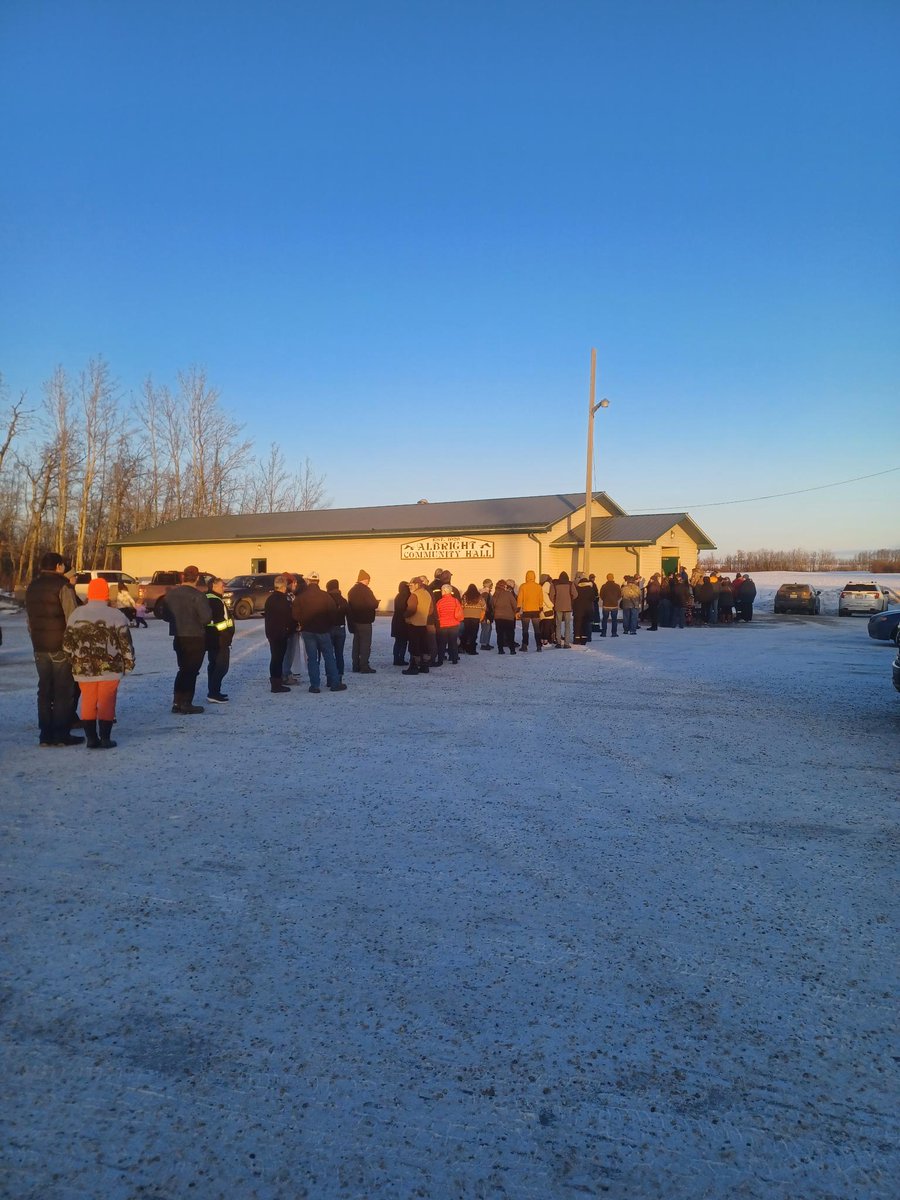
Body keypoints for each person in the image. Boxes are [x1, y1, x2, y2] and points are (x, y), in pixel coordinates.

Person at [62, 578, 135, 748]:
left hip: (83, 668)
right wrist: (129, 662)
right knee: (107, 701)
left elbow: (67, 644)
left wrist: (73, 661)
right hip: (111, 667)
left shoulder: (76, 614)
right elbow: (125, 643)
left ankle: (91, 739)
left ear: (89, 593)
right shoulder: (116, 615)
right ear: (106, 594)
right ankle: (105, 738)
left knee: (88, 700)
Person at [25, 551, 83, 746]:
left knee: (44, 689)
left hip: (39, 646)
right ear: (58, 566)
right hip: (61, 645)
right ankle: (61, 734)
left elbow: (29, 619)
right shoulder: (63, 586)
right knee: (63, 690)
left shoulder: (32, 587)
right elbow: (72, 617)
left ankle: (45, 734)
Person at [164, 565, 213, 714]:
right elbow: (206, 618)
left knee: (183, 669)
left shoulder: (171, 595)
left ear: (182, 577)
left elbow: (165, 615)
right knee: (191, 671)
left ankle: (177, 701)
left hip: (178, 636)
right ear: (197, 578)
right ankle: (186, 702)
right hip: (195, 637)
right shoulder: (198, 596)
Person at [292, 572, 346, 693]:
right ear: (318, 582)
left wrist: (303, 622)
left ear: (309, 581)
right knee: (329, 657)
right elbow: (333, 613)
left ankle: (315, 685)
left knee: (312, 658)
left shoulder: (301, 597)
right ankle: (335, 683)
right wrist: (327, 624)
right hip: (323, 631)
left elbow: (295, 615)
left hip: (308, 631)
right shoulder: (325, 596)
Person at [205, 577, 235, 702]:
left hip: (210, 638)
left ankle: (214, 691)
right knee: (222, 666)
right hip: (220, 639)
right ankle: (213, 693)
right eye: (221, 586)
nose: (224, 588)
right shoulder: (216, 601)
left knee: (213, 665)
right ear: (213, 586)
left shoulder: (206, 598)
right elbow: (219, 622)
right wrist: (226, 635)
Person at [263, 576, 295, 693]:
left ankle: (275, 681)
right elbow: (289, 617)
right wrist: (292, 628)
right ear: (283, 586)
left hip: (271, 633)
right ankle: (276, 683)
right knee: (278, 659)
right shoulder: (284, 600)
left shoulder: (269, 599)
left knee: (275, 658)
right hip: (281, 634)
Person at [348, 569, 378, 673]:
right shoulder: (366, 590)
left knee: (356, 644)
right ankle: (364, 666)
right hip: (365, 621)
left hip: (355, 621)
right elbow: (373, 604)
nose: (369, 582)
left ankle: (355, 665)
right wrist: (376, 602)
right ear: (364, 579)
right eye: (368, 579)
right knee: (365, 644)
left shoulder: (351, 591)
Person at [402, 576, 433, 675]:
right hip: (423, 623)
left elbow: (411, 609)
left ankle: (414, 667)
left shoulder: (414, 595)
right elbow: (431, 610)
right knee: (424, 645)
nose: (409, 587)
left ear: (417, 585)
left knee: (414, 646)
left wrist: (405, 616)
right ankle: (425, 666)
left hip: (413, 624)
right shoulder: (427, 594)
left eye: (411, 585)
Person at [282, 573, 307, 685]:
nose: (295, 585)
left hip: (283, 630)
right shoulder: (289, 597)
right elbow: (293, 614)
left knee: (283, 654)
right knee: (288, 653)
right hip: (290, 630)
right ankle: (286, 675)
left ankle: (284, 674)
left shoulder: (278, 597)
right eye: (294, 582)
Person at [326, 578, 349, 682]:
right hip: (341, 628)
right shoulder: (343, 600)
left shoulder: (326, 599)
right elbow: (349, 614)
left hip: (329, 628)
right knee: (339, 654)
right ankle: (339, 676)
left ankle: (330, 678)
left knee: (329, 654)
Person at [435, 584, 463, 664]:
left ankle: (440, 660)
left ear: (444, 591)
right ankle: (454, 659)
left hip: (443, 625)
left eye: (442, 590)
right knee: (453, 642)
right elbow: (459, 611)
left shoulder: (440, 602)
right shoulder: (455, 601)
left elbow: (437, 614)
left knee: (442, 643)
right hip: (454, 625)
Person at [517, 570, 544, 651]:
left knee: (525, 630)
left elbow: (520, 599)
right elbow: (541, 598)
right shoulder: (538, 586)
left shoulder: (523, 586)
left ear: (526, 577)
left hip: (526, 611)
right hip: (536, 611)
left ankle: (524, 646)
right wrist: (540, 608)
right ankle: (539, 646)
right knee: (537, 630)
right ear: (534, 577)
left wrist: (518, 609)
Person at [550, 572, 576, 647]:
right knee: (567, 625)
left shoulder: (555, 584)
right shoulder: (570, 584)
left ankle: (558, 642)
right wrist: (570, 600)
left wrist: (554, 603)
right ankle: (566, 643)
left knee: (558, 625)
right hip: (568, 607)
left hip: (558, 607)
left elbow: (551, 596)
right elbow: (575, 594)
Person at [492, 579, 518, 654]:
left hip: (498, 618)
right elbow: (515, 605)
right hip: (509, 618)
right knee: (510, 634)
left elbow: (492, 606)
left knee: (499, 634)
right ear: (504, 586)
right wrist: (514, 612)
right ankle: (512, 650)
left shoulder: (495, 595)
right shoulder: (508, 594)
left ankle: (500, 650)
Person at [461, 583, 486, 655]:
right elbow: (484, 607)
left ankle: (464, 647)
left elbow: (461, 606)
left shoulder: (465, 596)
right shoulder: (479, 597)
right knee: (474, 634)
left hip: (466, 617)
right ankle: (472, 650)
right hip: (476, 617)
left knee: (466, 633)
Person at [391, 581, 410, 666]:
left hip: (396, 621)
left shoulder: (398, 596)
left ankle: (396, 659)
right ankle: (401, 659)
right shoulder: (407, 596)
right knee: (403, 642)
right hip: (404, 622)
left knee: (397, 642)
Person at [572, 573, 594, 645]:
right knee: (585, 625)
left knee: (577, 625)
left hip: (578, 610)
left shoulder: (577, 589)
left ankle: (576, 639)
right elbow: (593, 598)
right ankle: (584, 640)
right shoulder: (590, 589)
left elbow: (574, 598)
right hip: (587, 610)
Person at [599, 574, 622, 638]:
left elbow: (601, 595)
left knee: (605, 619)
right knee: (614, 620)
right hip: (614, 605)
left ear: (607, 578)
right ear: (613, 578)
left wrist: (605, 600)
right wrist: (616, 599)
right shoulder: (617, 586)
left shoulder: (604, 586)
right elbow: (620, 595)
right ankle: (614, 633)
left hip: (606, 605)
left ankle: (603, 633)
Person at [540, 574, 556, 646]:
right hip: (547, 611)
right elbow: (548, 602)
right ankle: (545, 641)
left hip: (542, 611)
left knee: (542, 626)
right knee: (547, 626)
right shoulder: (545, 592)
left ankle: (542, 639)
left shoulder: (540, 589)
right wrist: (553, 605)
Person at [479, 579, 494, 650]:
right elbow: (486, 606)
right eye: (491, 584)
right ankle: (484, 644)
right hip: (486, 615)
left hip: (486, 614)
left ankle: (486, 643)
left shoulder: (485, 593)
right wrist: (487, 616)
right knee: (486, 629)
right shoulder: (486, 594)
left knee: (488, 628)